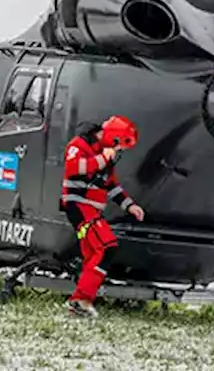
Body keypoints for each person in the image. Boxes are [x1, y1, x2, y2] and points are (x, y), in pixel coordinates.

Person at [60, 114, 145, 317]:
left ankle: (79, 301)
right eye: (120, 147)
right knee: (107, 248)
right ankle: (82, 300)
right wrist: (102, 158)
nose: (119, 152)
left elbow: (111, 185)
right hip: (79, 206)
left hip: (92, 210)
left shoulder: (106, 155)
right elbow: (73, 168)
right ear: (114, 138)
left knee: (94, 254)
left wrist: (129, 205)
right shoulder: (79, 145)